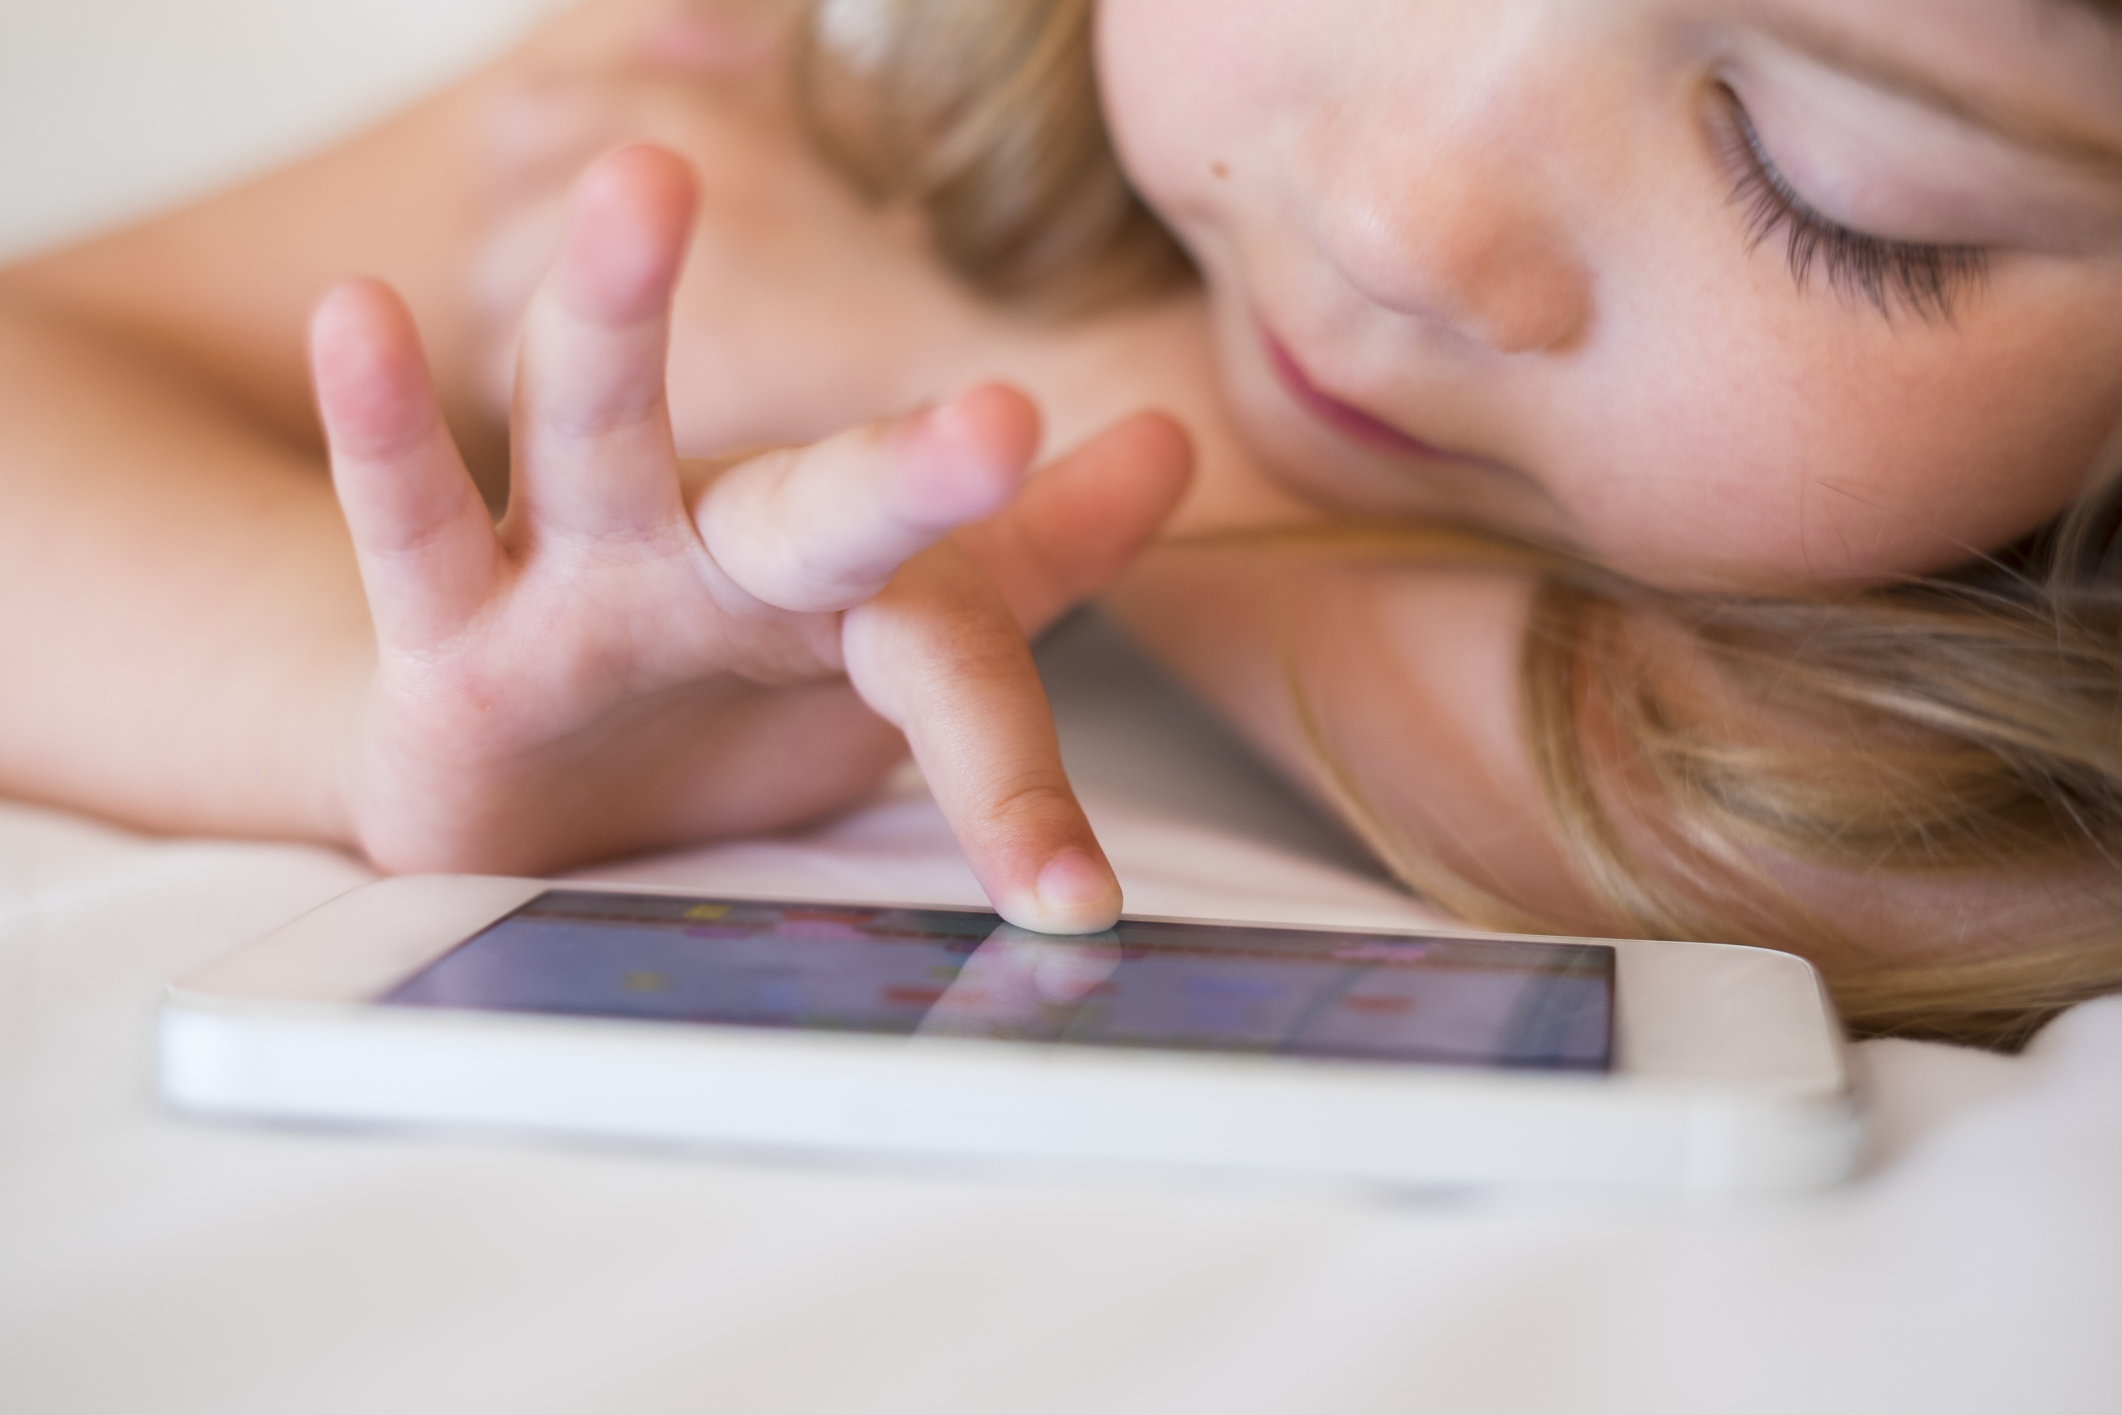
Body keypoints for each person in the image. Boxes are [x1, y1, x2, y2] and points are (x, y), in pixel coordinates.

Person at [1, 0, 2117, 1045]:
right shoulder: (798, 108)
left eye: (1828, 193)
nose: (1392, 220)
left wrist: (1034, 412)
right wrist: (372, 711)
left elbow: (1941, 852)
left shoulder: (846, 269)